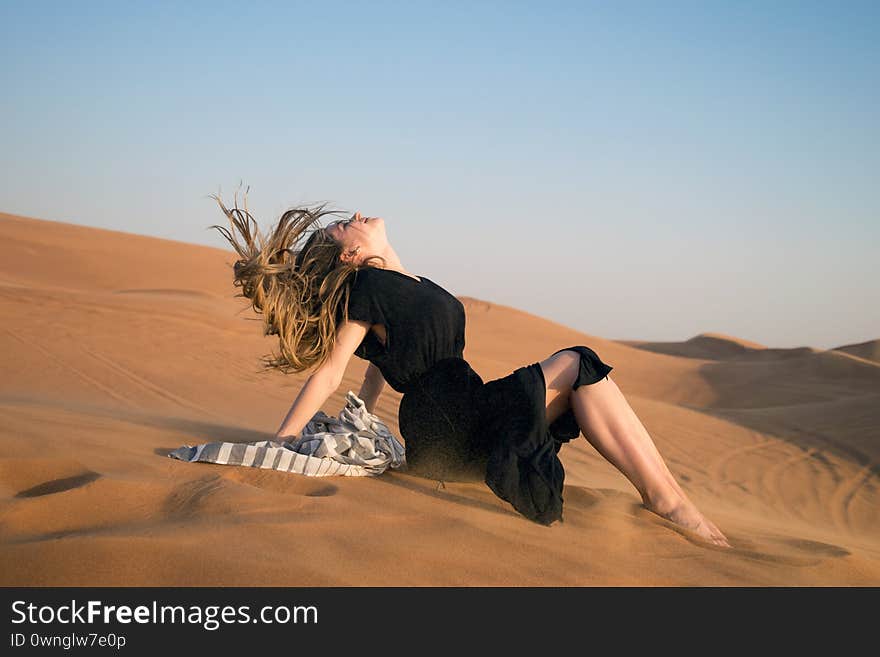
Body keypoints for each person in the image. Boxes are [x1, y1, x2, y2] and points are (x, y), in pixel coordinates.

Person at [210, 193, 731, 547]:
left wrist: (360, 417)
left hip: (464, 407)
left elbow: (377, 375)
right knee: (577, 363)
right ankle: (669, 503)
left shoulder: (415, 284)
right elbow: (332, 371)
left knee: (583, 377)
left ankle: (670, 499)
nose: (358, 214)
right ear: (349, 255)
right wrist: (282, 440)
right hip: (449, 425)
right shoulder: (367, 290)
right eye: (347, 224)